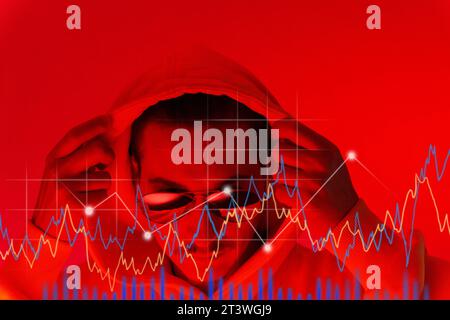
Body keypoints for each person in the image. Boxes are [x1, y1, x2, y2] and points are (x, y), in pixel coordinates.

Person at [1, 48, 449, 299]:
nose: (202, 235)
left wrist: (355, 227)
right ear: (129, 179)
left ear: (274, 177)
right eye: (171, 200)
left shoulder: (336, 288)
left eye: (232, 200)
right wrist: (39, 246)